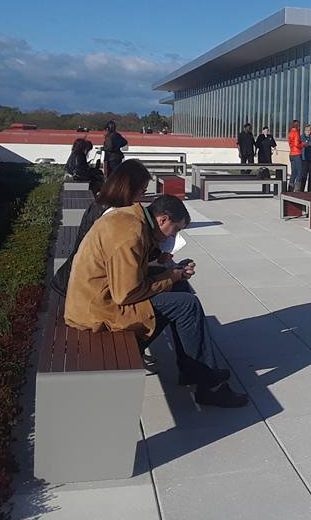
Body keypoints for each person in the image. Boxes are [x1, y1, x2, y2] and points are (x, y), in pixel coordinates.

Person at [65, 194, 248, 408]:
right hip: (99, 312)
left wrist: (172, 273)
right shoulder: (130, 233)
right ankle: (209, 387)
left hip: (99, 298)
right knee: (187, 305)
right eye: (176, 229)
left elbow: (129, 274)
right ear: (162, 220)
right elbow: (126, 294)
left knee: (179, 287)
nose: (174, 235)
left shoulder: (131, 219)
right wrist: (171, 276)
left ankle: (191, 370)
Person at [52, 159, 153, 297]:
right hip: (85, 289)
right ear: (130, 188)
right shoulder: (113, 215)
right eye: (143, 190)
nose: (143, 195)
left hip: (73, 278)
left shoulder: (101, 204)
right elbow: (121, 257)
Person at [254, 126, 277, 193]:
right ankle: (260, 176)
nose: (266, 132)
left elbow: (274, 145)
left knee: (267, 167)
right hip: (261, 154)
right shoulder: (260, 137)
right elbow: (256, 145)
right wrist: (255, 152)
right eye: (265, 130)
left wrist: (275, 150)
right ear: (263, 131)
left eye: (267, 130)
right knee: (261, 167)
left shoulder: (270, 137)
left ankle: (267, 179)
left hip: (268, 155)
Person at [287, 120, 304, 191]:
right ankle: (297, 190)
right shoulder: (296, 132)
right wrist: (303, 144)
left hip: (291, 153)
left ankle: (290, 188)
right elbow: (297, 144)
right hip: (297, 153)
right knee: (299, 172)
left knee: (293, 172)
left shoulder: (290, 132)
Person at [300, 124, 311, 192]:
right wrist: (308, 143)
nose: (308, 132)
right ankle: (301, 190)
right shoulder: (302, 137)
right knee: (304, 175)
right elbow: (303, 145)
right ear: (304, 130)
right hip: (304, 158)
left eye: (309, 130)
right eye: (307, 130)